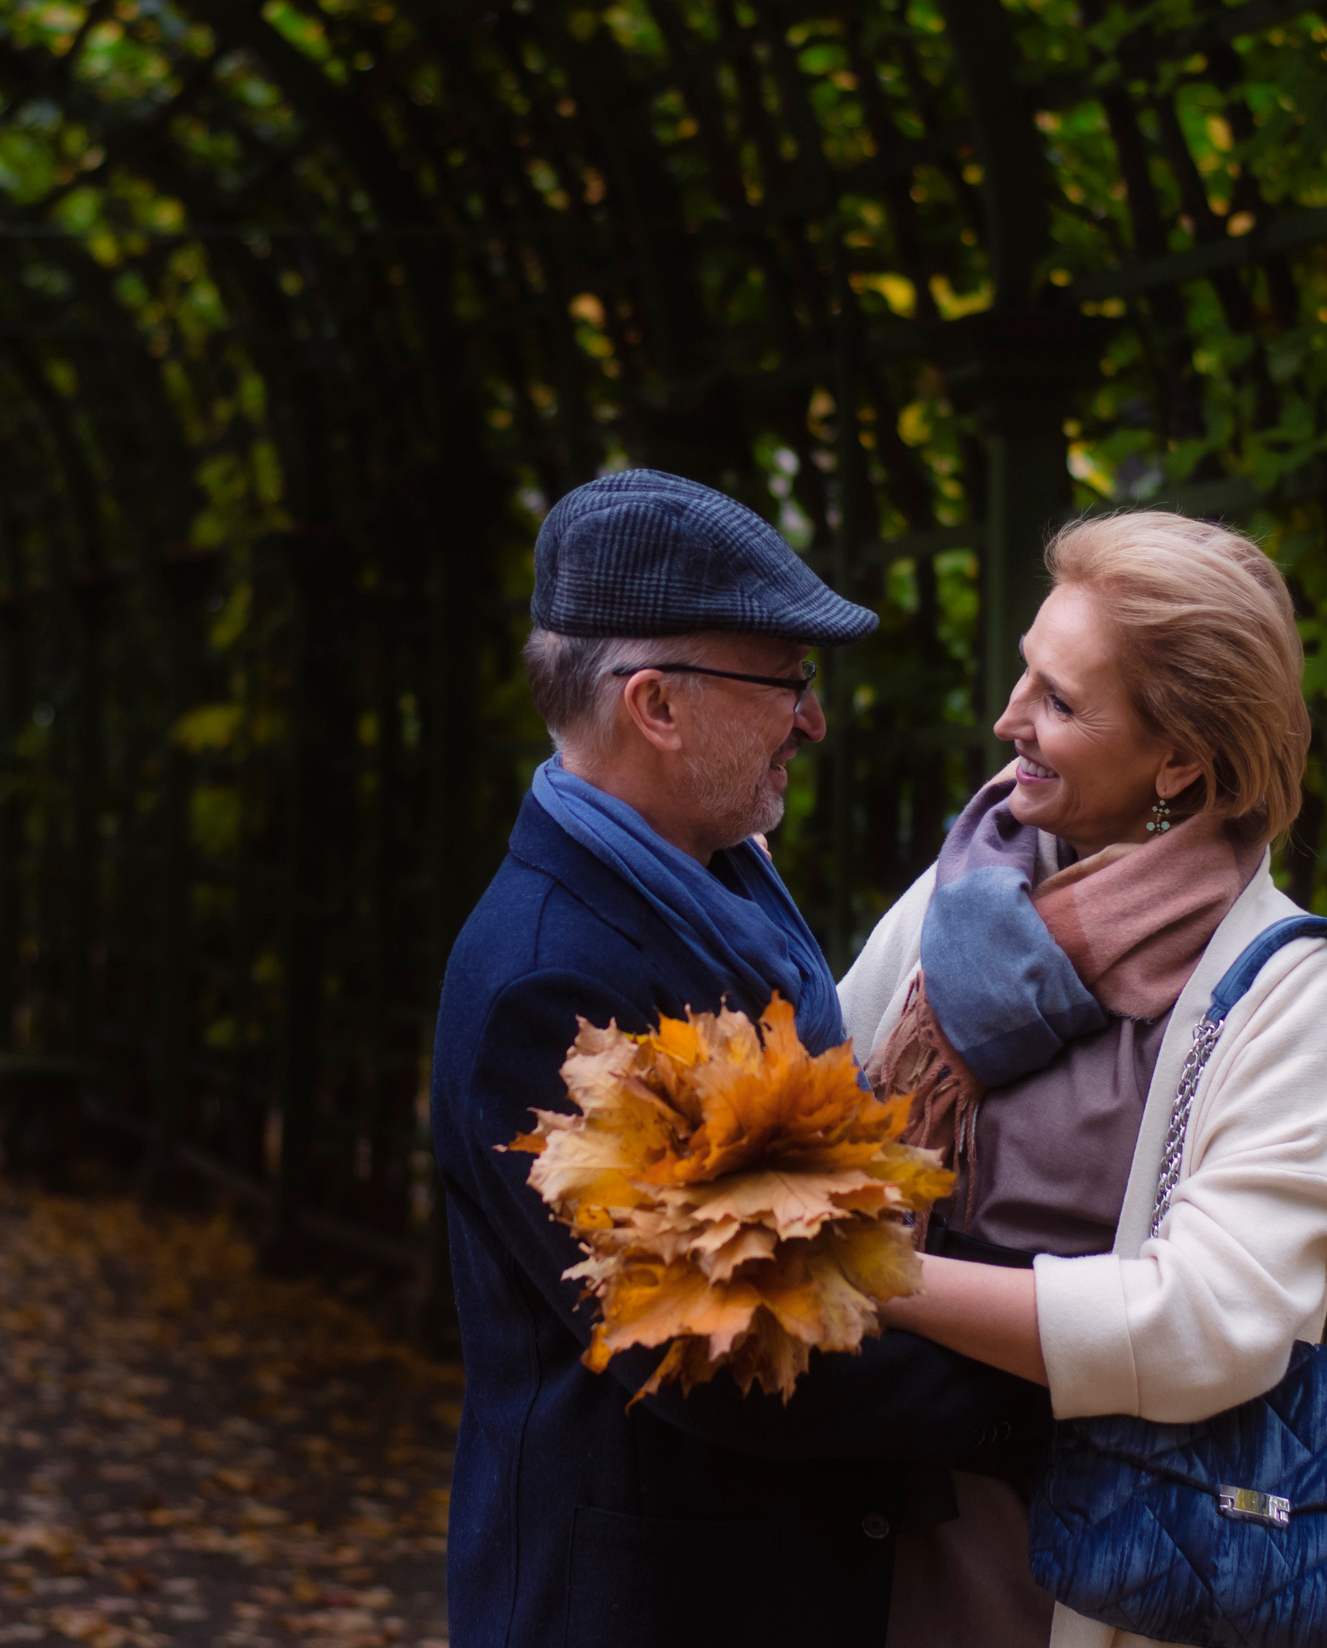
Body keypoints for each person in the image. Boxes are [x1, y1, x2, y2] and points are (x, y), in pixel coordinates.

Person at [433, 469, 1051, 1648]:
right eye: (786, 680)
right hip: (642, 1607)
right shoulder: (550, 983)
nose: (810, 719)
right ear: (656, 706)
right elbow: (735, 1354)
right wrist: (1063, 1380)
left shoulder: (708, 878)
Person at [838, 510, 1327, 1648]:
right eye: (1025, 672)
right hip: (866, 1528)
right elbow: (819, 1112)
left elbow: (1213, 1321)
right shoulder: (961, 901)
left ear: (1180, 758)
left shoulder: (1280, 988)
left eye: (1061, 702)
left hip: (1086, 1571)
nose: (1009, 719)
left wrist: (879, 1276)